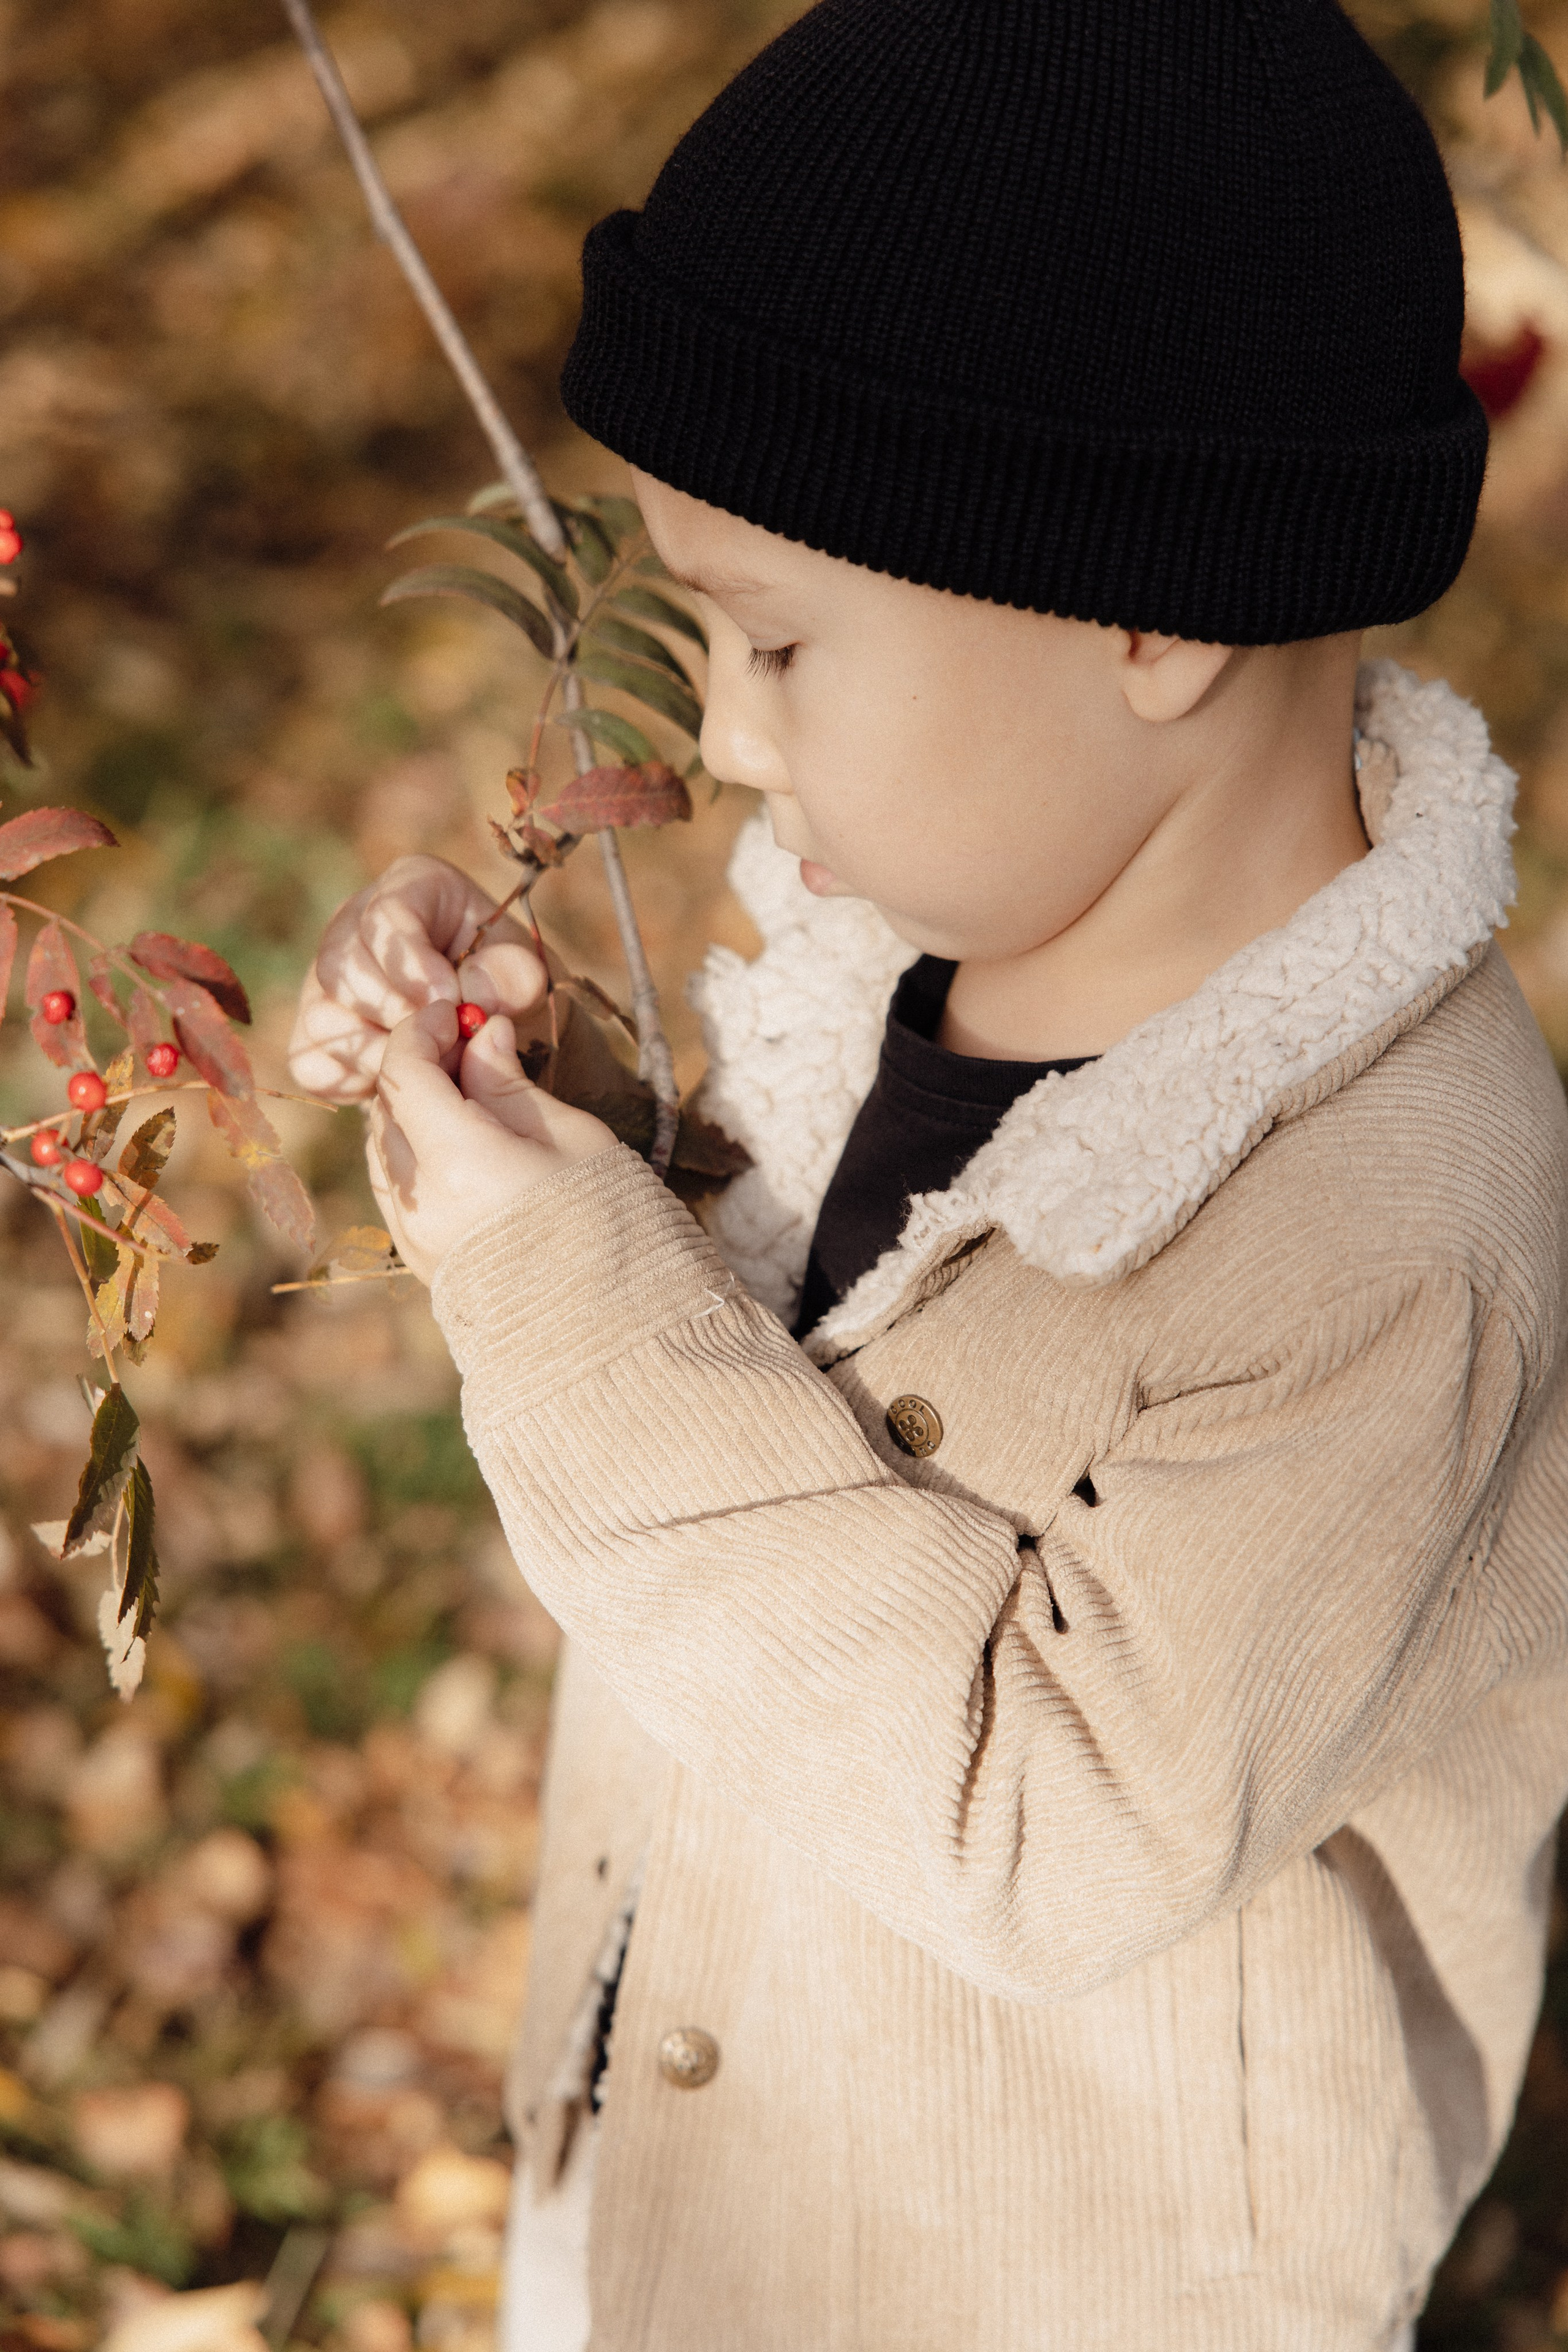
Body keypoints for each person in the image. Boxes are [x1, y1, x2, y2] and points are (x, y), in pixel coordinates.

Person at [288, 2, 1568, 2345]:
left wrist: (571, 1304)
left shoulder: (1398, 1239)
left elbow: (1053, 1831)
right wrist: (555, 1124)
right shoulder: (916, 960)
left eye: (778, 644)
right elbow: (832, 1373)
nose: (722, 734)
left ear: (1152, 616)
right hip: (695, 2189)